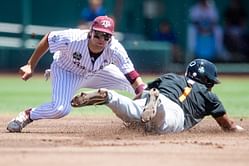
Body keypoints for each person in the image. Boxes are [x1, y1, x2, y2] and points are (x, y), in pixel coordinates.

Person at [7, 15, 145, 132]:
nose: (101, 39)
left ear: (111, 37)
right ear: (91, 31)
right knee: (60, 109)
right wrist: (31, 65)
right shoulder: (74, 38)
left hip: (97, 72)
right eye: (98, 34)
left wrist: (144, 94)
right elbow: (49, 38)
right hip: (67, 71)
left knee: (135, 86)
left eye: (106, 36)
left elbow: (132, 75)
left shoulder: (115, 48)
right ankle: (27, 115)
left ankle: (142, 117)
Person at [71, 59, 245, 134]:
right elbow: (228, 126)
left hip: (154, 95)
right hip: (177, 113)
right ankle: (157, 106)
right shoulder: (209, 96)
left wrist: (139, 108)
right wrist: (240, 131)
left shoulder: (171, 77)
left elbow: (140, 92)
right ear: (207, 80)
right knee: (162, 125)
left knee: (133, 111)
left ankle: (110, 97)